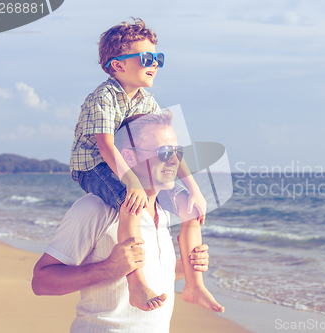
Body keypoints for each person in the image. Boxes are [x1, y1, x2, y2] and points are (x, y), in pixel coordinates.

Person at [69, 18, 218, 311]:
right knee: (130, 200)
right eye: (147, 58)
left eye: (158, 58)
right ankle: (136, 284)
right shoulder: (104, 96)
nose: (155, 64)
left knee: (191, 207)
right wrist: (132, 183)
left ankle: (194, 285)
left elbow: (171, 150)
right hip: (93, 164)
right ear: (118, 65)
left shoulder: (147, 102)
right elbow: (105, 145)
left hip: (129, 163)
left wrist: (194, 189)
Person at [32, 113, 223, 332]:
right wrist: (107, 269)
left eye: (177, 152)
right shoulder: (96, 208)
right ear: (129, 158)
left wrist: (188, 266)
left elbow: (153, 272)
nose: (174, 160)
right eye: (164, 152)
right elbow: (40, 281)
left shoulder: (163, 211)